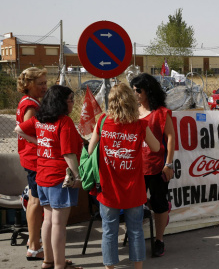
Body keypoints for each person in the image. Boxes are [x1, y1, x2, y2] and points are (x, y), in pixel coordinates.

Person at [88, 83, 160, 269]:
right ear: (131, 101)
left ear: (111, 102)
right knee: (135, 230)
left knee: (109, 231)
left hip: (108, 188)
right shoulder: (140, 125)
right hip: (134, 189)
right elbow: (156, 148)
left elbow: (90, 149)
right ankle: (138, 268)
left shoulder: (102, 121)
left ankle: (110, 267)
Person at [15, 85, 83, 269]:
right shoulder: (64, 122)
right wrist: (78, 177)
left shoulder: (39, 119)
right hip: (59, 178)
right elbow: (68, 154)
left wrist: (41, 143)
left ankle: (48, 261)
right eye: (70, 100)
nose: (73, 103)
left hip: (42, 176)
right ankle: (60, 265)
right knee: (59, 225)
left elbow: (19, 129)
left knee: (48, 221)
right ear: (61, 102)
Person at [130, 73, 175, 257]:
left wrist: (169, 164)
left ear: (148, 91)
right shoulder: (132, 112)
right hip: (135, 168)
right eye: (133, 91)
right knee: (135, 205)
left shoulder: (162, 113)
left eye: (137, 91)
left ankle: (159, 240)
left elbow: (170, 137)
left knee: (159, 204)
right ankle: (135, 239)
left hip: (157, 167)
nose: (135, 94)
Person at [16, 67, 47, 261]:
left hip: (30, 157)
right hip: (33, 158)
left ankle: (33, 241)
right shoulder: (31, 106)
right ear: (29, 85)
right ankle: (34, 246)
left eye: (45, 83)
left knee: (34, 200)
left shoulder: (30, 102)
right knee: (35, 201)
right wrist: (43, 142)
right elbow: (27, 132)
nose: (45, 87)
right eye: (41, 84)